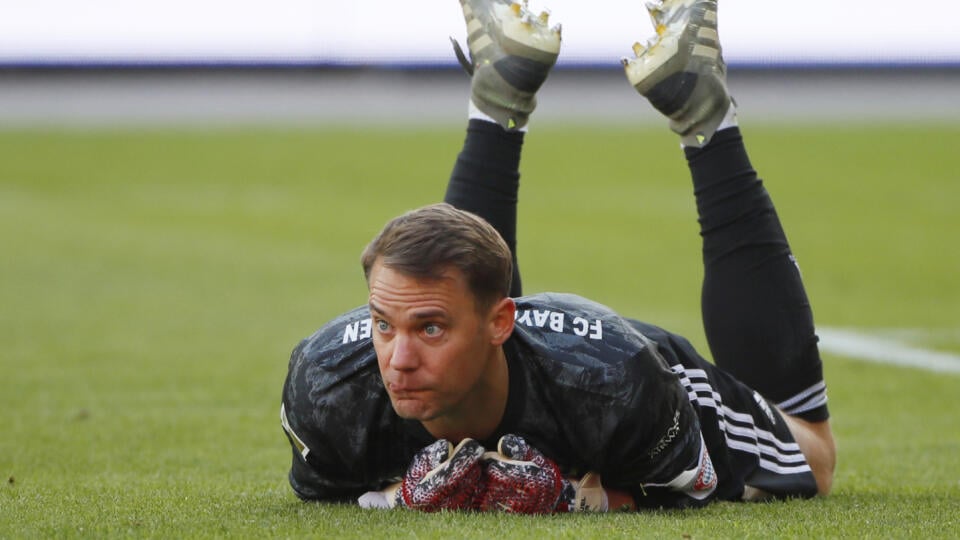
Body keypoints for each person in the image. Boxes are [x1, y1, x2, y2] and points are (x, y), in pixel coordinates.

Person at [280, 0, 836, 512]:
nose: (397, 360)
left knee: (814, 454)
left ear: (504, 321)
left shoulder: (616, 381)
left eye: (427, 330)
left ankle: (706, 122)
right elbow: (333, 494)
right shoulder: (323, 383)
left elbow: (686, 484)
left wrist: (573, 498)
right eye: (382, 323)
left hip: (629, 374)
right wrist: (404, 493)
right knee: (456, 282)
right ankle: (496, 103)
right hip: (525, 363)